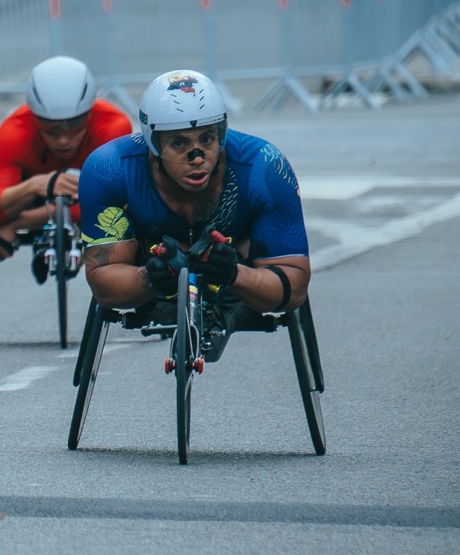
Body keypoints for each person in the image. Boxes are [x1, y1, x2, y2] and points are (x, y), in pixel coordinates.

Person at [78, 69, 310, 360]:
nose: (197, 158)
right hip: (151, 285)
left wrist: (234, 273)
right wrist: (149, 277)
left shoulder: (265, 167)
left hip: (240, 283)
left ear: (222, 134)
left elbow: (296, 287)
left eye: (207, 139)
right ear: (152, 142)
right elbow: (102, 282)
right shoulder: (109, 169)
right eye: (179, 143)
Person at [0, 56, 133, 283]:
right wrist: (35, 185)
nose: (63, 140)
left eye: (76, 125)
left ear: (90, 113)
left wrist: (18, 222)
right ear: (34, 117)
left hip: (85, 202)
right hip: (43, 197)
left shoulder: (113, 125)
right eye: (51, 130)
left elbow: (114, 204)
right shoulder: (15, 130)